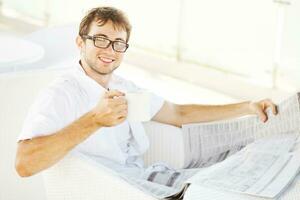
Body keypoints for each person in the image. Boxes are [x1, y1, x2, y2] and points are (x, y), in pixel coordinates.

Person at [15, 6, 278, 179]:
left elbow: (177, 113)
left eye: (118, 43)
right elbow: (24, 164)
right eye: (100, 39)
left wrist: (246, 107)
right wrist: (93, 120)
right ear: (80, 42)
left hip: (150, 179)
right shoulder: (62, 94)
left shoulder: (124, 88)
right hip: (115, 190)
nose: (110, 50)